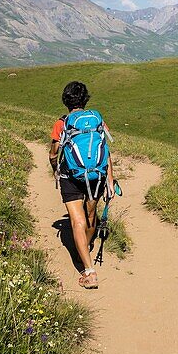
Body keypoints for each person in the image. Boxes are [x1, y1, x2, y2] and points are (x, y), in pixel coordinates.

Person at [49, 81, 116, 289]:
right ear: (85, 99)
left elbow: (53, 153)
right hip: (96, 175)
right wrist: (111, 180)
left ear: (65, 100)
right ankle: (85, 247)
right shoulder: (97, 119)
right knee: (90, 216)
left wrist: (55, 168)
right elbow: (105, 149)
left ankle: (88, 271)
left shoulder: (62, 122)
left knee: (77, 221)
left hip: (71, 176)